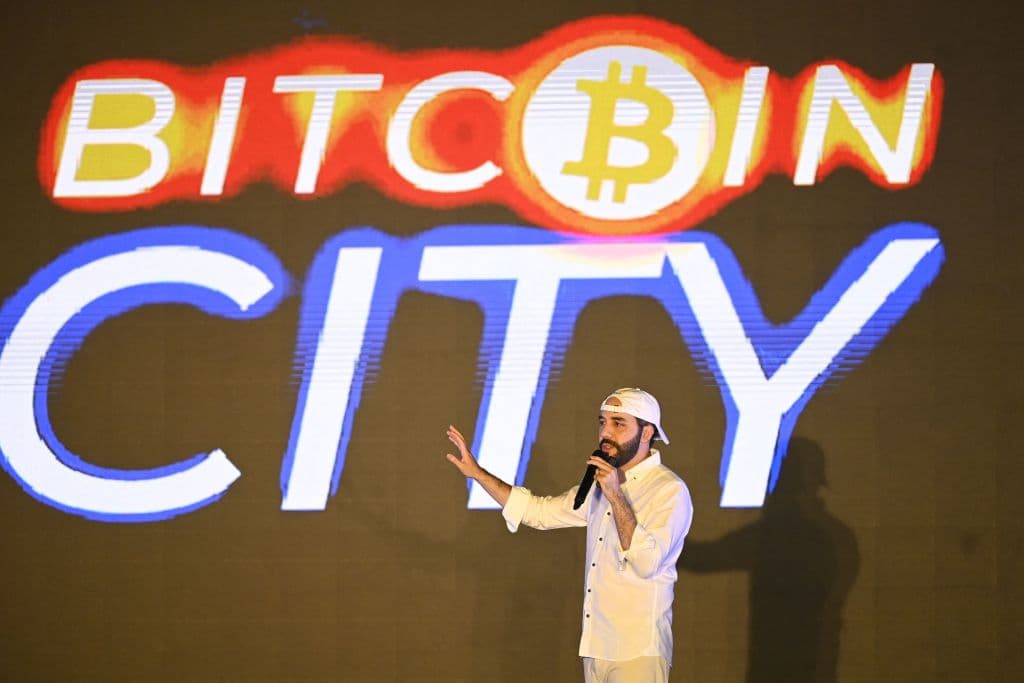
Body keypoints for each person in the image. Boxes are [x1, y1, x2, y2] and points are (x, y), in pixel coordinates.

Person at [445, 387, 693, 683]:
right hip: (596, 648)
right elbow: (539, 512)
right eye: (602, 422)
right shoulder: (601, 486)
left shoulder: (668, 490)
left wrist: (615, 495)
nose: (606, 432)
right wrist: (478, 474)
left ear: (646, 432)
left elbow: (647, 563)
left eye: (619, 424)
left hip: (637, 651)